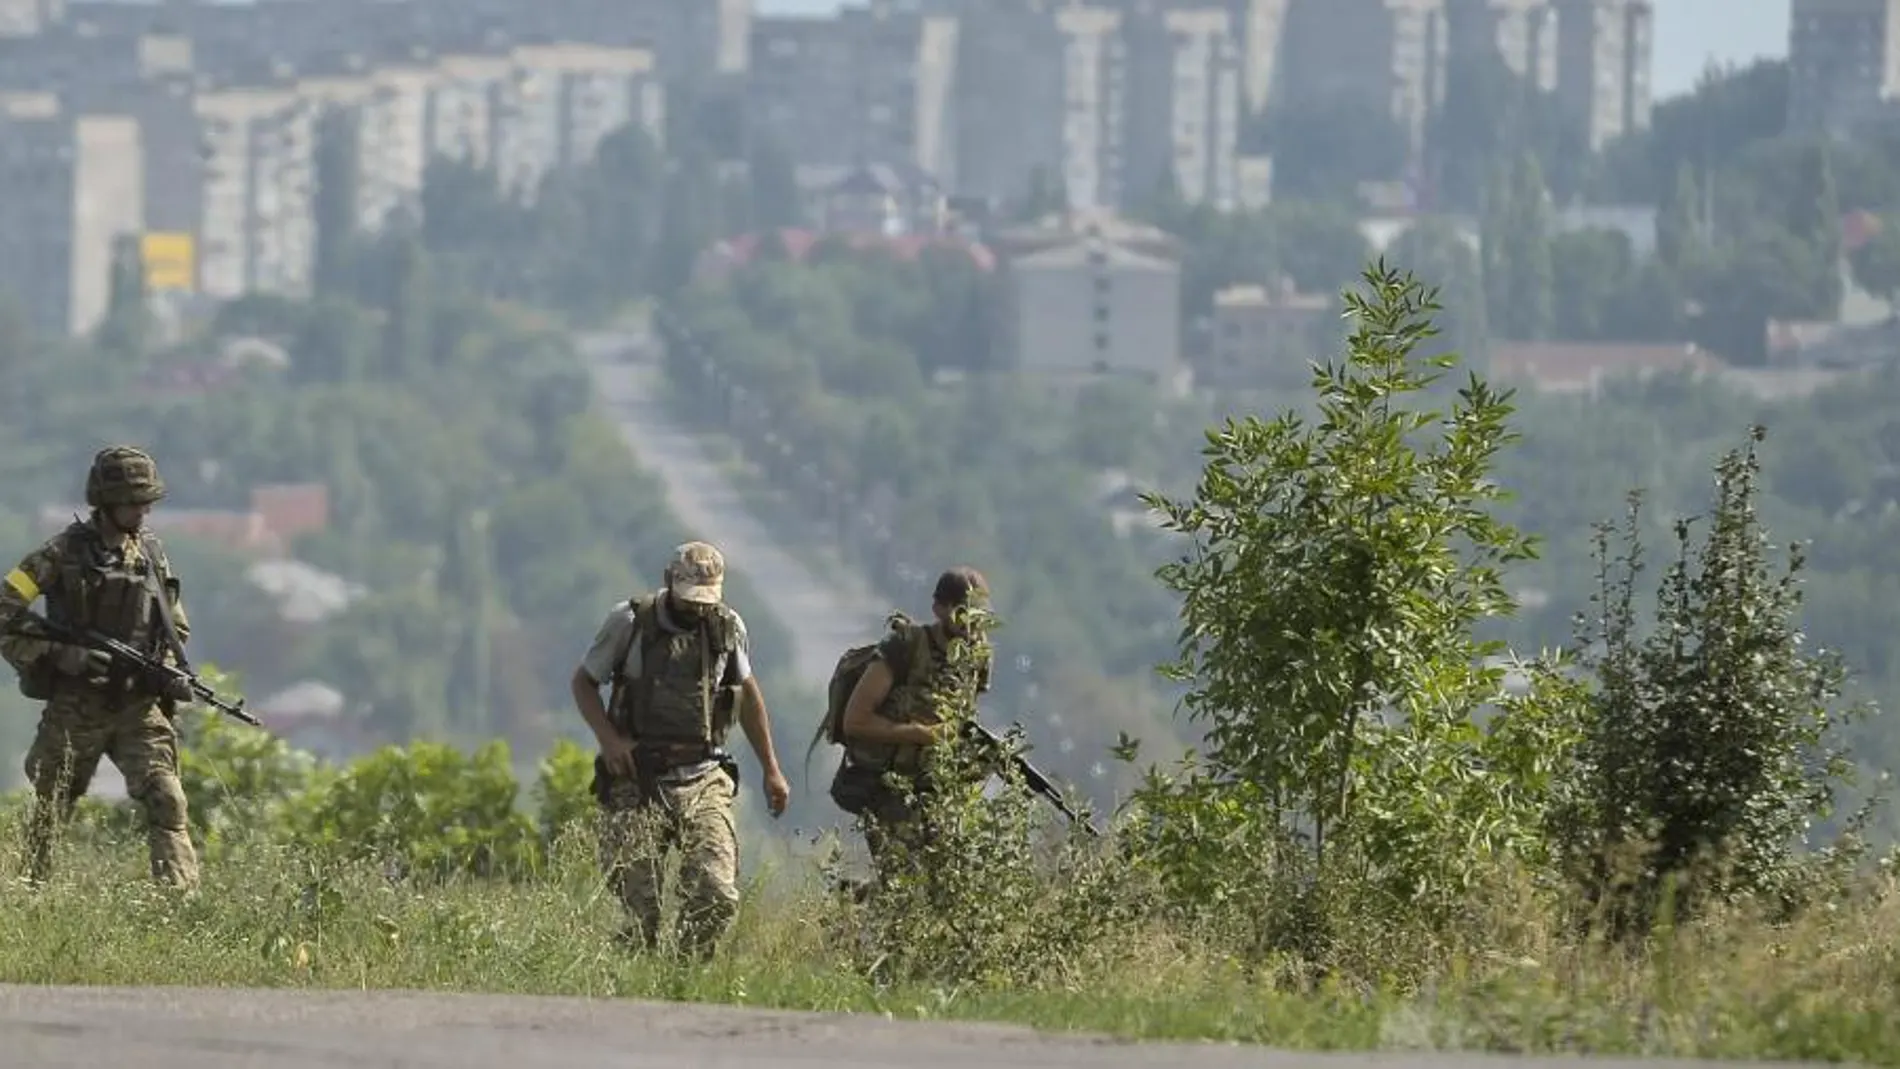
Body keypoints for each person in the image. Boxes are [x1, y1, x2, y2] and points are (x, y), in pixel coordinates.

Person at [568, 540, 791, 957]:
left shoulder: (727, 626)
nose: (697, 609)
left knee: (717, 893)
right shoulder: (630, 621)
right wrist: (610, 740)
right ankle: (635, 982)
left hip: (703, 776)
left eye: (706, 600)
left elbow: (746, 694)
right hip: (637, 775)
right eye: (690, 599)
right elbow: (583, 683)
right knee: (640, 912)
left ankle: (683, 974)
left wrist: (771, 769)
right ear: (670, 582)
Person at [0, 446, 199, 888]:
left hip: (137, 705)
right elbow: (4, 613)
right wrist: (60, 655)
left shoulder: (150, 554)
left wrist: (164, 667)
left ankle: (180, 902)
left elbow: (174, 624)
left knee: (168, 798)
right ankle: (34, 893)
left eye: (147, 501)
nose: (144, 510)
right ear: (106, 502)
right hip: (78, 704)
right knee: (53, 805)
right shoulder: (58, 554)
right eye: (134, 501)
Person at [836, 565, 994, 886]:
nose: (972, 623)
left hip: (938, 791)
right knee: (903, 888)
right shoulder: (906, 646)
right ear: (939, 608)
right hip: (889, 788)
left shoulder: (977, 656)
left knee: (947, 888)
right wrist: (919, 734)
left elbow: (963, 719)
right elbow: (855, 721)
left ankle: (857, 897)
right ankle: (859, 905)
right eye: (964, 612)